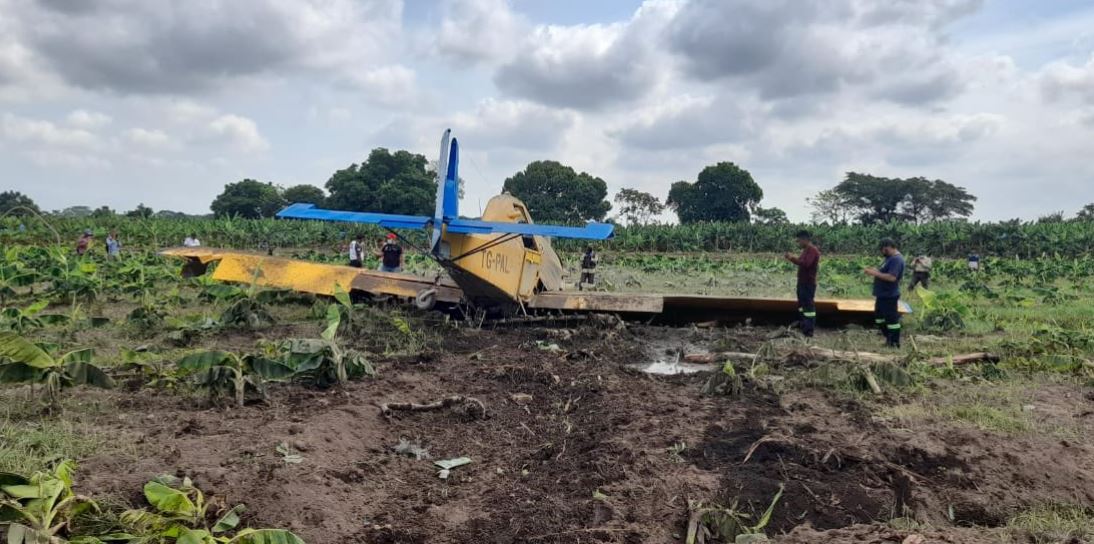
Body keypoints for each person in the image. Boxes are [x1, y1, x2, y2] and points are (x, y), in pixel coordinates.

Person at [865, 238, 905, 348]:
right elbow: (884, 272)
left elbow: (892, 277)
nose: (882, 253)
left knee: (892, 320)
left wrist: (874, 273)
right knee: (879, 318)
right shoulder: (889, 258)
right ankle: (889, 339)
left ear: (888, 247)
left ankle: (895, 343)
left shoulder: (896, 260)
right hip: (882, 294)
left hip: (889, 295)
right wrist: (876, 271)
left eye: (883, 250)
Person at [784, 230, 820, 337]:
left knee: (808, 307)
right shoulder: (806, 250)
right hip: (802, 283)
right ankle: (803, 325)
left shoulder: (813, 251)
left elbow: (806, 264)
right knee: (802, 305)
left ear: (805, 239)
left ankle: (809, 330)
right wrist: (792, 258)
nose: (798, 243)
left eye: (799, 241)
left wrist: (792, 258)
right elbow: (800, 261)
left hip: (808, 284)